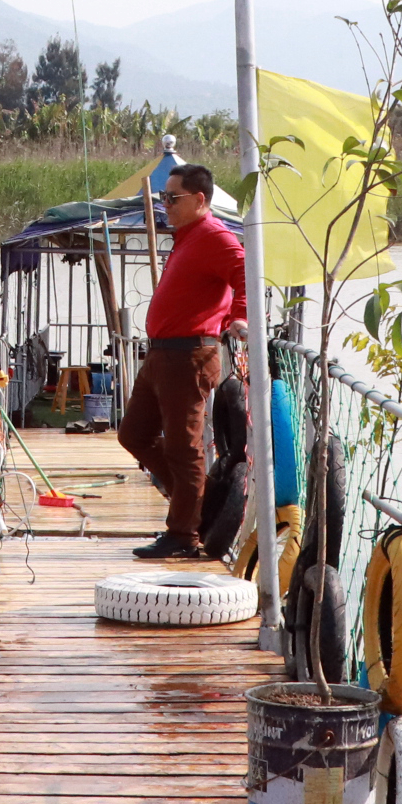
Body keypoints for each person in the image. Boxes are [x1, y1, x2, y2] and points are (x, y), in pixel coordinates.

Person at [118, 163, 246, 560]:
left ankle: (184, 533)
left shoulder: (214, 237)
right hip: (163, 353)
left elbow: (246, 274)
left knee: (183, 448)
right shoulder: (187, 237)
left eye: (173, 198)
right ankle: (196, 507)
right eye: (163, 197)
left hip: (189, 354)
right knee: (133, 435)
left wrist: (237, 317)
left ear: (200, 200)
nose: (165, 205)